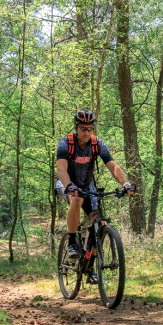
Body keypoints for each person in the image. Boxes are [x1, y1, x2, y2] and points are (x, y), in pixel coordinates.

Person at [56, 109, 136, 260]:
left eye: (89, 129)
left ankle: (91, 266)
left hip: (87, 185)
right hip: (65, 182)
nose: (86, 132)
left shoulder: (97, 144)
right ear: (75, 128)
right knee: (77, 198)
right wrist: (69, 186)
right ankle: (72, 242)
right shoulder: (65, 143)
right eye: (82, 129)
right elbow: (61, 169)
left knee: (98, 222)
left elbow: (112, 166)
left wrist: (125, 183)